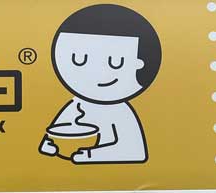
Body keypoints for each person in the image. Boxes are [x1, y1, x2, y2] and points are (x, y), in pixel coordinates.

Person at [39, 4, 162, 164]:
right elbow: (55, 135)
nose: (97, 72)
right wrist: (49, 146)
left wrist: (90, 155)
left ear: (139, 65)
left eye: (116, 63)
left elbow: (135, 152)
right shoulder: (76, 105)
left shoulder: (120, 111)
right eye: (79, 60)